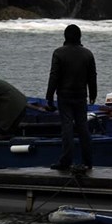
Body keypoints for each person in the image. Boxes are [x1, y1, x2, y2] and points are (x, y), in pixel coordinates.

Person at [45, 23, 97, 172]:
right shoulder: (87, 54)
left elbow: (54, 76)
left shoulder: (59, 53)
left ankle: (66, 161)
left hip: (64, 95)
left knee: (67, 127)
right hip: (81, 95)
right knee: (83, 127)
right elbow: (92, 77)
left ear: (65, 37)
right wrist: (93, 94)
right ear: (80, 37)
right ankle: (88, 161)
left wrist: (49, 96)